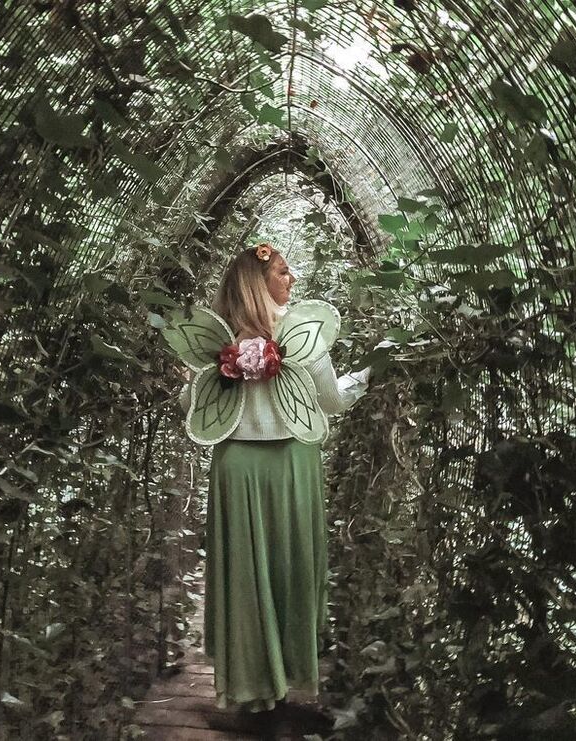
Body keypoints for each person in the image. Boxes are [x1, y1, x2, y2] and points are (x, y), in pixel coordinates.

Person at [175, 242, 369, 732]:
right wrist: (365, 376)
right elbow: (331, 401)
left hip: (237, 467)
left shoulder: (215, 341)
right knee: (292, 568)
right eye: (283, 272)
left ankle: (253, 697)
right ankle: (284, 691)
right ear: (257, 283)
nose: (292, 279)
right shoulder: (303, 334)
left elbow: (190, 406)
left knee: (246, 575)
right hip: (291, 464)